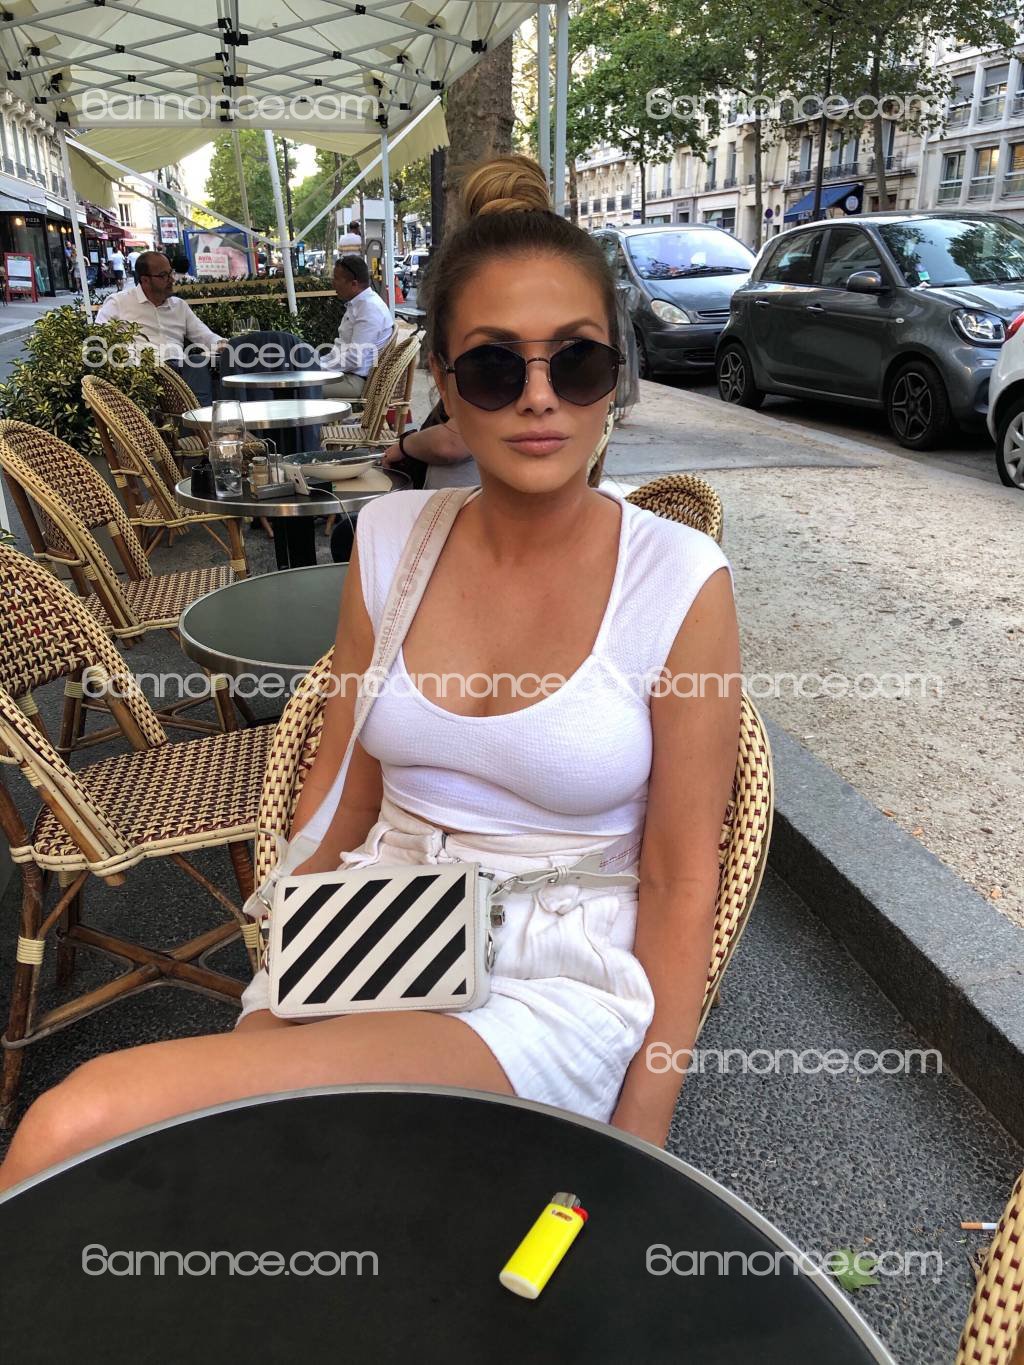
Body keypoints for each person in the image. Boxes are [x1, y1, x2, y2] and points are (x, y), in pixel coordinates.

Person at [0, 153, 740, 1191]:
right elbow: (339, 789)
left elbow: (680, 878)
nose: (539, 399)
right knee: (246, 1183)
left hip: (553, 968)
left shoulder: (679, 579)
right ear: (442, 381)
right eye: (495, 367)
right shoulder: (392, 541)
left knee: (77, 1119)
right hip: (378, 923)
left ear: (614, 374)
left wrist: (642, 1142)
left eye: (575, 363)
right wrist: (282, 969)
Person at [94, 250, 226, 365]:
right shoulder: (118, 302)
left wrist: (222, 343)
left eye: (171, 273)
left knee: (198, 363)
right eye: (164, 275)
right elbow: (98, 338)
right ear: (145, 280)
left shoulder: (179, 306)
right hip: (142, 373)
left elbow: (204, 335)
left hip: (179, 371)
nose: (171, 280)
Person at [321, 254, 394, 400]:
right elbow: (340, 351)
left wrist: (318, 368)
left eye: (336, 279)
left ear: (354, 284)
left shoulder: (369, 309)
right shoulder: (359, 304)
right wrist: (316, 365)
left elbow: (355, 359)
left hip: (356, 381)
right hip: (346, 374)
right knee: (297, 380)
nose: (333, 283)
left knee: (297, 389)